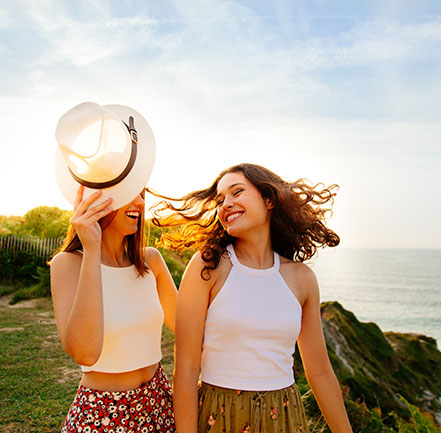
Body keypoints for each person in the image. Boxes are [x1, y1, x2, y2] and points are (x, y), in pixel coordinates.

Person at [151, 163, 353, 433]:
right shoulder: (208, 266)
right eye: (220, 200)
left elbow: (320, 373)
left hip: (282, 416)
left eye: (237, 192)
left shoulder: (302, 279)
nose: (226, 204)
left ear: (268, 199)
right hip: (219, 414)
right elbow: (186, 368)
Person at [50, 102, 177, 432]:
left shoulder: (151, 262)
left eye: (141, 193)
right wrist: (92, 250)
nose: (140, 203)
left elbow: (191, 330)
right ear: (98, 199)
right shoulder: (68, 265)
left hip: (158, 402)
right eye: (130, 194)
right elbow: (85, 352)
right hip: (102, 414)